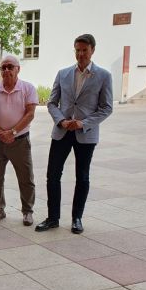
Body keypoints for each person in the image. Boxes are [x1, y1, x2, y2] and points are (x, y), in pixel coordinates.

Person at [36, 34, 113, 234]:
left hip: (85, 134)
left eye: (84, 50)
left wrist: (83, 123)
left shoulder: (103, 76)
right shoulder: (63, 74)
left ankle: (77, 218)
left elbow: (106, 107)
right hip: (62, 131)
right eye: (77, 50)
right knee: (52, 175)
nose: (80, 54)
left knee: (83, 176)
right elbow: (52, 102)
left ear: (92, 51)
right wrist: (61, 120)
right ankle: (53, 218)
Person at [0, 55, 38, 226]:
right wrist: (0, 132)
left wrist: (13, 132)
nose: (6, 70)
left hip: (20, 141)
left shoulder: (28, 88)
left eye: (10, 67)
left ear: (18, 69)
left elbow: (30, 113)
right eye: (3, 67)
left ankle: (27, 211)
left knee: (25, 177)